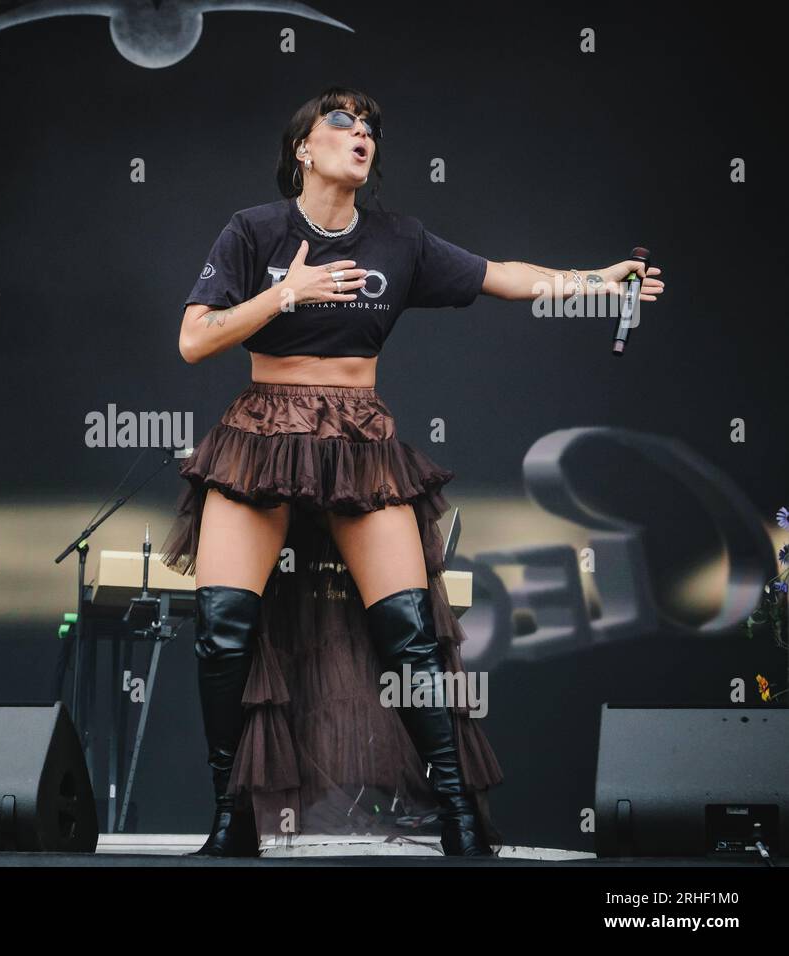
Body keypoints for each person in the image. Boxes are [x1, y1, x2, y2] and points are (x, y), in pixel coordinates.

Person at [161, 86, 665, 858]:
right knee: (223, 630)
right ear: (304, 148)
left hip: (359, 437)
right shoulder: (252, 231)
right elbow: (195, 341)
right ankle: (232, 817)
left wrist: (599, 282)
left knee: (408, 632)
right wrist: (282, 293)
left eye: (370, 128)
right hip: (263, 432)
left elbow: (506, 276)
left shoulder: (400, 240)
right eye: (341, 122)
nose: (360, 134)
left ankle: (459, 815)